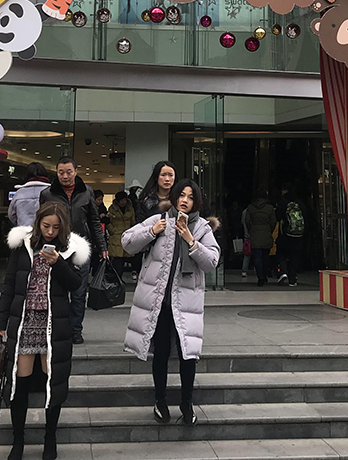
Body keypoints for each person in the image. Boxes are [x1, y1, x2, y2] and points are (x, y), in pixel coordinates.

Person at [0, 201, 90, 460]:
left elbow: (75, 285)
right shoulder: (23, 245)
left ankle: (50, 438)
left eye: (56, 228)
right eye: (46, 226)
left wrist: (58, 262)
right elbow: (9, 283)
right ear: (38, 223)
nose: (50, 232)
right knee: (19, 381)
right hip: (24, 322)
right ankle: (18, 441)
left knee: (53, 381)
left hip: (53, 323)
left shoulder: (70, 248)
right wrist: (0, 320)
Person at [122, 179, 220, 426]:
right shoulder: (160, 220)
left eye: (190, 197)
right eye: (181, 195)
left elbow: (212, 262)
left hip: (187, 304)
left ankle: (187, 403)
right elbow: (127, 242)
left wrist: (191, 241)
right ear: (175, 197)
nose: (185, 200)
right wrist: (151, 232)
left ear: (197, 201)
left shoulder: (202, 228)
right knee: (161, 353)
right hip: (160, 303)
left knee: (189, 355)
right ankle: (160, 401)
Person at [38, 157, 105, 344]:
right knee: (57, 292)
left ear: (76, 171)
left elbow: (94, 221)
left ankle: (75, 330)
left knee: (79, 293)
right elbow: (41, 222)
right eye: (61, 172)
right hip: (56, 250)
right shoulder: (47, 194)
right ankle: (58, 328)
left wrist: (102, 247)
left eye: (69, 172)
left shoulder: (87, 192)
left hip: (81, 250)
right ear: (56, 172)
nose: (65, 176)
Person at [276, 184, 306, 287]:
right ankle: (292, 280)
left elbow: (277, 216)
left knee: (281, 253)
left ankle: (283, 272)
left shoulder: (283, 203)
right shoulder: (300, 204)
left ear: (285, 191)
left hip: (285, 235)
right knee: (294, 257)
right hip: (298, 236)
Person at [243, 197, 276, 286]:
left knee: (257, 257)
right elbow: (273, 221)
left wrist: (251, 230)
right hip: (266, 233)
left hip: (255, 233)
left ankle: (260, 277)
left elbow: (247, 221)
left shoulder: (251, 207)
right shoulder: (270, 208)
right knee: (265, 257)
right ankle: (264, 274)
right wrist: (269, 230)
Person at [8, 162, 50, 228]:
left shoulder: (19, 194)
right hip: (46, 231)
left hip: (23, 231)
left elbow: (12, 216)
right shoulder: (51, 193)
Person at [107, 190, 136, 279]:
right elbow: (108, 222)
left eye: (124, 200)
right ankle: (117, 279)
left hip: (127, 235)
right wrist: (112, 231)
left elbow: (133, 221)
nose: (123, 202)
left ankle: (120, 279)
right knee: (117, 260)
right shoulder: (112, 209)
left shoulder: (130, 209)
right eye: (121, 200)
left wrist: (132, 231)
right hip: (116, 236)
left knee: (126, 259)